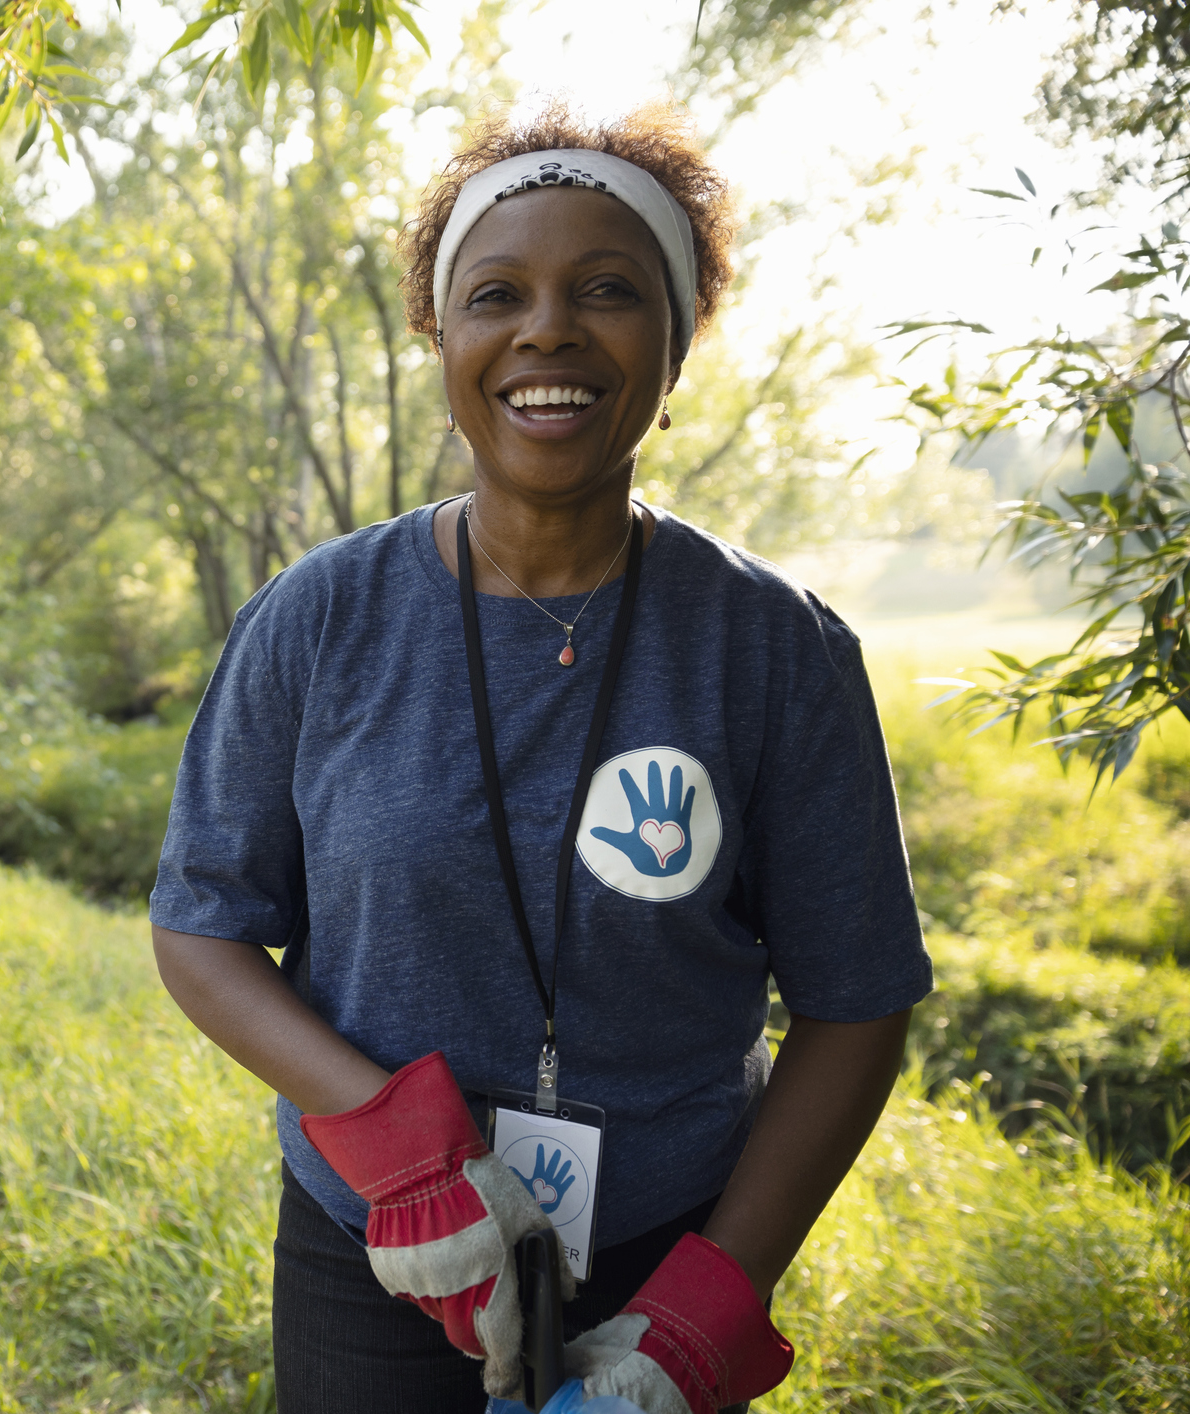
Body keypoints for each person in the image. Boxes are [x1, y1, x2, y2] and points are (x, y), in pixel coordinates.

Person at [148, 102, 934, 1414]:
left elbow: (855, 1007)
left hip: (666, 1250)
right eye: (495, 293)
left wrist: (705, 1312)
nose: (547, 328)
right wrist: (404, 1160)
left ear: (677, 339)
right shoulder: (320, 616)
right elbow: (202, 928)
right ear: (441, 338)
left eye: (610, 290)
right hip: (377, 1252)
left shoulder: (776, 649)